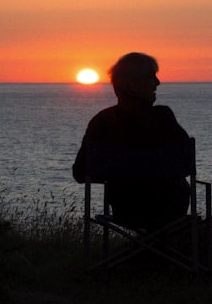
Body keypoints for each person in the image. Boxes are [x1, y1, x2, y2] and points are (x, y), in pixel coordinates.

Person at [72, 52, 190, 230]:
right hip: (169, 210)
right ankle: (166, 254)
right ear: (133, 85)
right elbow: (186, 164)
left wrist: (118, 173)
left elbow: (80, 173)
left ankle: (138, 254)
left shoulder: (101, 121)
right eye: (151, 77)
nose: (158, 83)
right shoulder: (163, 118)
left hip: (126, 211)